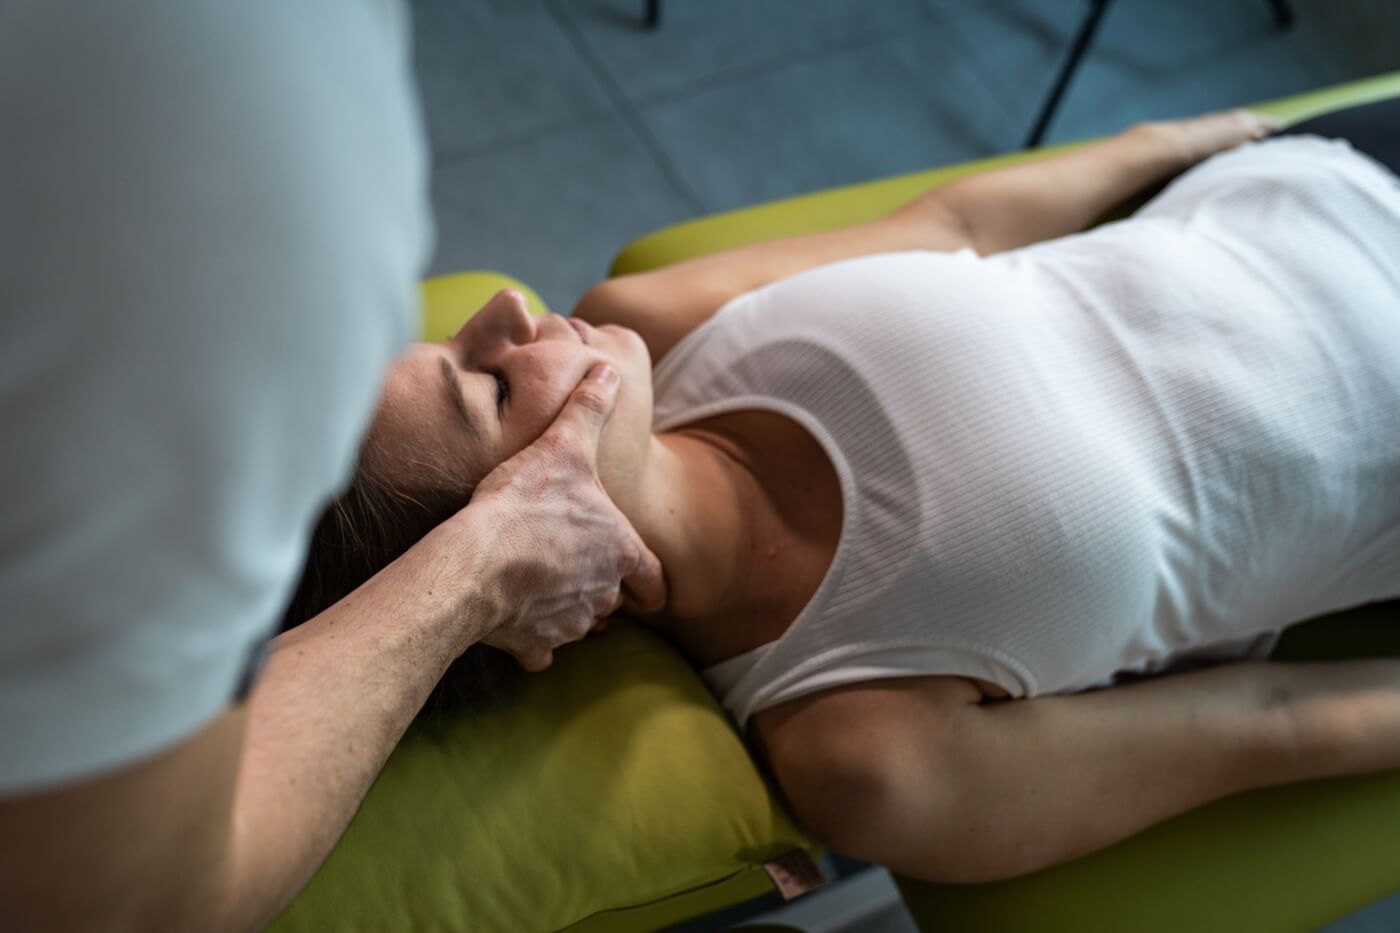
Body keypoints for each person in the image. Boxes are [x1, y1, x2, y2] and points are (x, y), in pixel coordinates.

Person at [292, 101, 1400, 885]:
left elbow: (954, 228)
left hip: (1326, 177)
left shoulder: (655, 323)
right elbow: (1268, 726)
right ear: (522, 566)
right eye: (488, 388)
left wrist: (1185, 138)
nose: (502, 308)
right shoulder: (864, 746)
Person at [0, 4, 663, 932]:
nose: (507, 304)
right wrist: (480, 569)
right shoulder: (223, 193)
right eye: (493, 391)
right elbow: (119, 900)